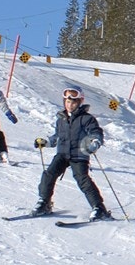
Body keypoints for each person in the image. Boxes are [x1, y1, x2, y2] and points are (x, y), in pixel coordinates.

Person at [30, 86, 111, 220]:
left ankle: (99, 208)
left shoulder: (86, 119)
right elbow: (57, 137)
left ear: (79, 102)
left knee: (82, 179)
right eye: (67, 102)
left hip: (79, 155)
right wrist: (45, 142)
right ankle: (44, 202)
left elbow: (96, 132)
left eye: (73, 102)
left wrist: (95, 142)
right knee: (49, 174)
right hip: (62, 153)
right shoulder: (61, 118)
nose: (70, 105)